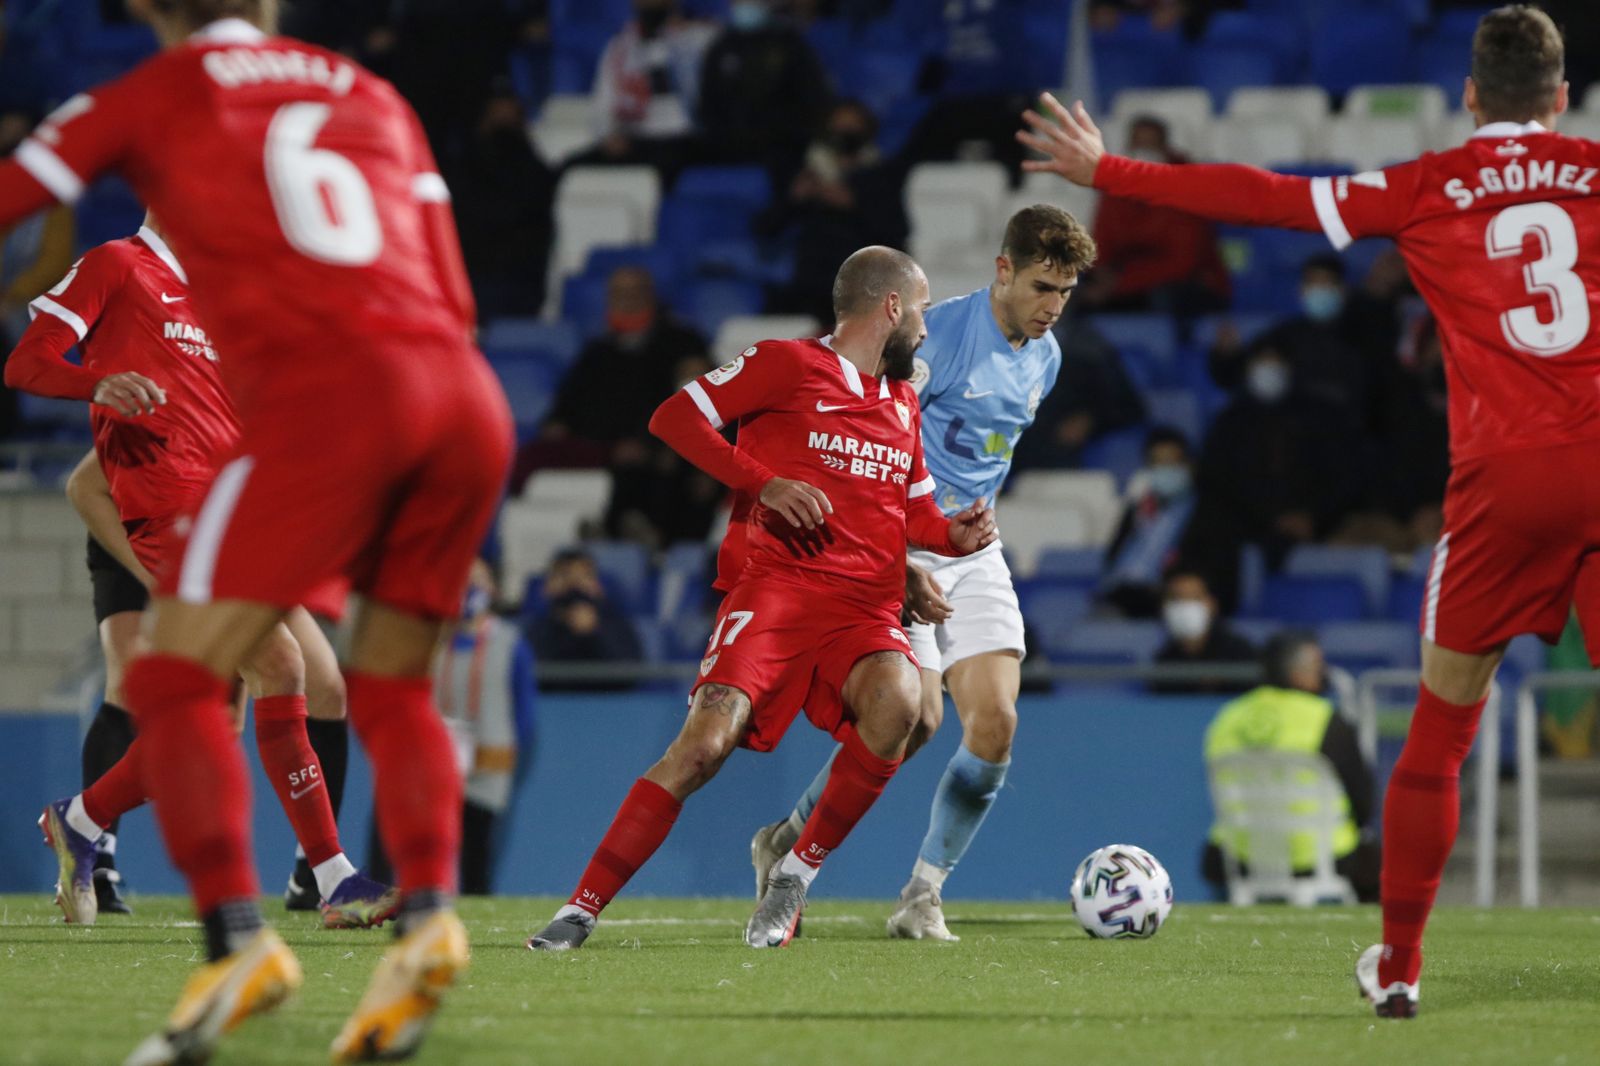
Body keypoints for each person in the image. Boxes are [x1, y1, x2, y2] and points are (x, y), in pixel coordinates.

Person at [1019, 4, 1600, 1018]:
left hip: (1503, 482)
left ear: (1470, 96)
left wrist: (1114, 174)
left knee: (1442, 727)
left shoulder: (1430, 185)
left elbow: (1268, 197)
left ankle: (1402, 966)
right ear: (1562, 99)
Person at [0, 2, 514, 1059]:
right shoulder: (370, 92)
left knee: (190, 683)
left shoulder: (157, 96)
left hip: (319, 420)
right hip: (459, 395)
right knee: (372, 679)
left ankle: (230, 933)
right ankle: (421, 922)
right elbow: (449, 279)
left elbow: (16, 191)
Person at [524, 246, 998, 952]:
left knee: (903, 704)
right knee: (702, 748)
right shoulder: (785, 363)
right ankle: (581, 908)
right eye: (924, 310)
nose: (927, 330)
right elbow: (672, 418)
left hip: (864, 609)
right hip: (777, 593)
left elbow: (916, 516)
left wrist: (956, 537)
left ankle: (793, 875)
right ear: (892, 306)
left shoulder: (901, 402)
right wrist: (763, 481)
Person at [6, 222, 388, 930]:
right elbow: (24, 365)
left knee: (220, 722)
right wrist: (97, 383)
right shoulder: (120, 264)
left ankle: (82, 821)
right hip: (168, 507)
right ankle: (333, 878)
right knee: (282, 666)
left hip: (230, 516)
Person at [748, 206, 1096, 941]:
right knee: (915, 722)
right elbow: (868, 447)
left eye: (1066, 292)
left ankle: (921, 894)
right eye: (1042, 286)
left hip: (973, 552)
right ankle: (786, 842)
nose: (1053, 307)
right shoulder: (937, 344)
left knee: (996, 723)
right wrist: (899, 557)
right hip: (896, 547)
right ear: (1003, 269)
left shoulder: (1048, 356)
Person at [371, 560, 536, 895]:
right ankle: (382, 897)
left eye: (477, 580)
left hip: (487, 764)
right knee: (399, 838)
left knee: (477, 857)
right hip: (429, 760)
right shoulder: (428, 635)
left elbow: (523, 711)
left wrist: (515, 758)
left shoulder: (509, 642)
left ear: (493, 588)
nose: (469, 589)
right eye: (462, 580)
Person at [1202, 631, 1379, 902]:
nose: (1324, 674)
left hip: (1240, 856)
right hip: (1316, 856)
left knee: (1212, 856)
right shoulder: (1326, 719)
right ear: (1297, 673)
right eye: (1318, 667)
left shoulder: (1228, 716)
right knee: (1375, 860)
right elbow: (1363, 803)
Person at [759, 98, 910, 326]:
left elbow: (895, 231)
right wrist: (795, 198)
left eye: (852, 129)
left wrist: (854, 204)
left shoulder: (882, 175)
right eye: (837, 128)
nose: (844, 135)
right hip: (813, 283)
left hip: (864, 281)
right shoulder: (809, 172)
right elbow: (766, 228)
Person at [1082, 116, 1229, 316]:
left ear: (1164, 149)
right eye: (1138, 144)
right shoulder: (1115, 187)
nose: (1143, 153)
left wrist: (1119, 284)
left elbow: (1182, 263)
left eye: (1151, 146)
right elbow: (1102, 243)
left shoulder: (1186, 188)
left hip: (1185, 283)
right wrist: (1102, 275)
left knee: (1164, 297)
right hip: (1124, 279)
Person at [576, 0, 715, 184]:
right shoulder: (620, 48)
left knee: (662, 168)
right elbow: (602, 103)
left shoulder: (698, 39)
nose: (648, 5)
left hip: (680, 138)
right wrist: (608, 135)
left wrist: (684, 33)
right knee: (571, 167)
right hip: (635, 138)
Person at [695, 0, 831, 184]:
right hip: (729, 150)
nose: (744, 5)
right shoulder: (722, 47)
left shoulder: (790, 45)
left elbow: (811, 99)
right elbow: (707, 105)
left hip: (782, 151)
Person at [1102, 426, 1198, 618]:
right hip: (1122, 596)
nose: (1164, 470)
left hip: (1167, 599)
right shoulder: (1137, 509)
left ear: (1188, 465)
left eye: (1171, 462)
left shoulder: (1202, 515)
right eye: (1157, 463)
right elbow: (1112, 559)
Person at [528, 547, 644, 689]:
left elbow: (630, 676)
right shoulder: (536, 629)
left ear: (598, 585)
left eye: (585, 576)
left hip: (610, 706)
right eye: (565, 576)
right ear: (547, 586)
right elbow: (534, 678)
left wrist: (593, 633)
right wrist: (568, 627)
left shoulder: (617, 625)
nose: (576, 585)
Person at [1150, 569, 1257, 695]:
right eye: (1176, 599)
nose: (1185, 606)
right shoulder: (1164, 661)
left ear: (1212, 604)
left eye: (1194, 598)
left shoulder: (1242, 653)